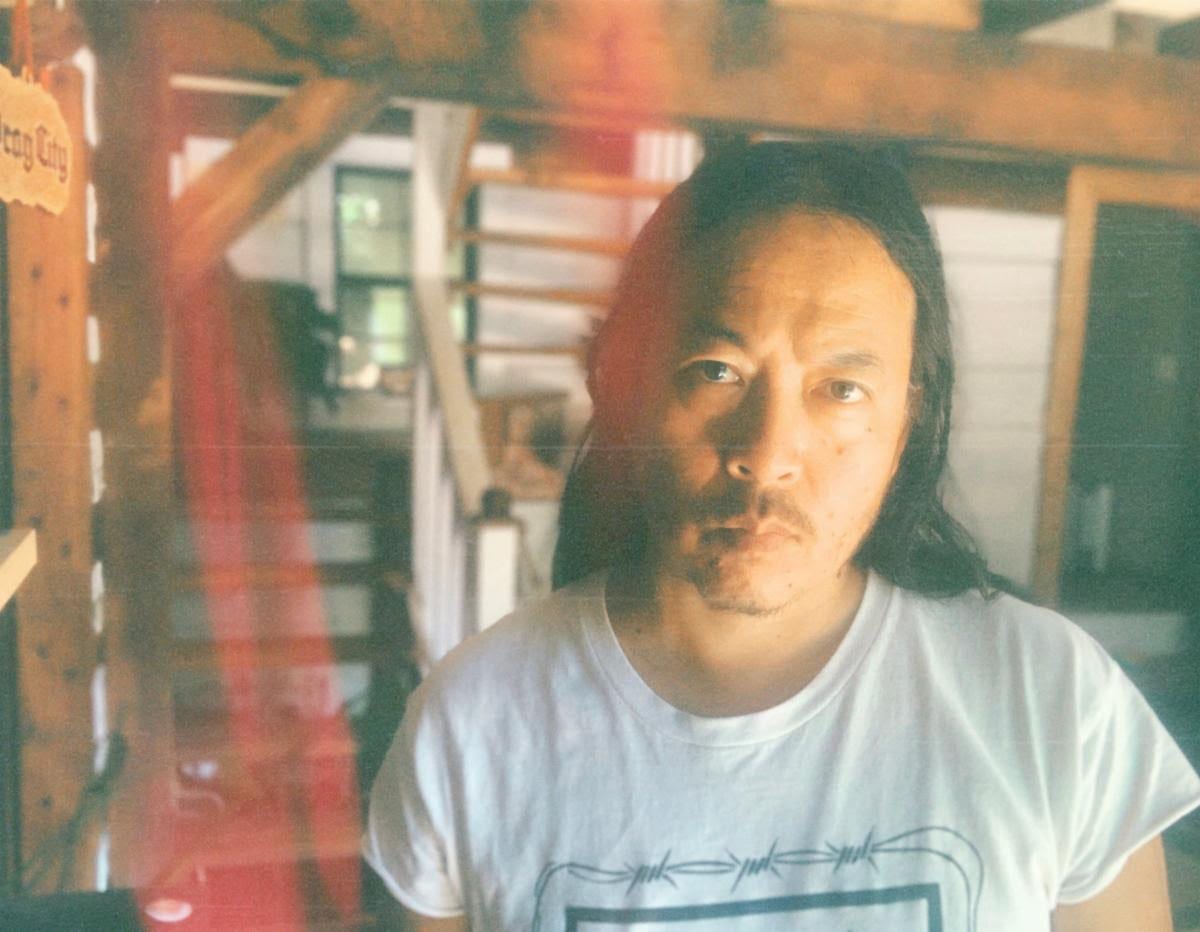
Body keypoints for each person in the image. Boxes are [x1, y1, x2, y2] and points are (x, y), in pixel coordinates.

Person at [363, 143, 1200, 931]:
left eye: (841, 389)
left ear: (909, 419)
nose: (767, 455)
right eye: (717, 372)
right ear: (620, 382)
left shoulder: (1051, 702)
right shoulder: (472, 729)